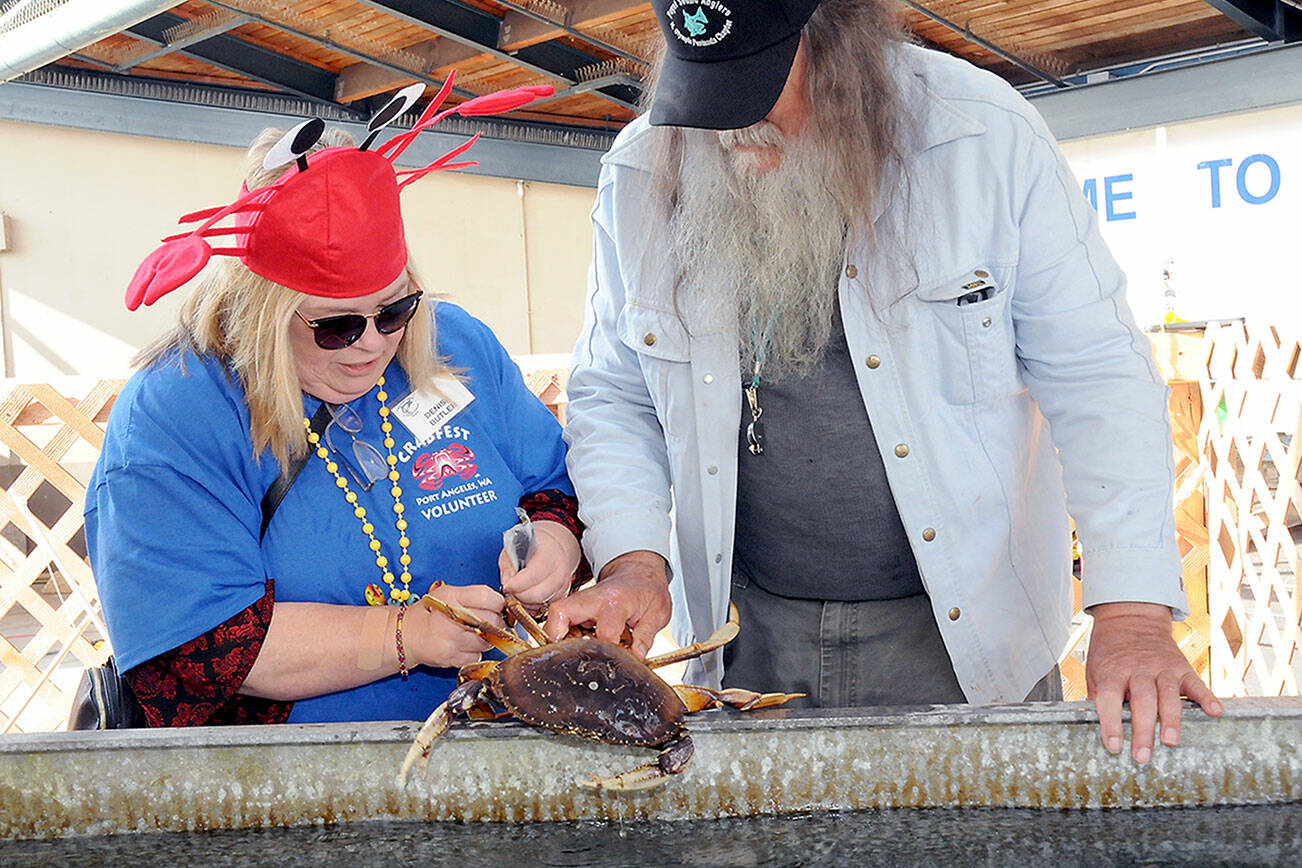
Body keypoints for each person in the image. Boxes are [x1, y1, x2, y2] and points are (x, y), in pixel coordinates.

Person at [548, 0, 1223, 764]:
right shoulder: (644, 169)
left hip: (966, 636)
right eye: (710, 96)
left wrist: (1132, 616)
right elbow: (615, 392)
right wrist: (634, 561)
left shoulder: (981, 137)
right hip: (748, 640)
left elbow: (1099, 377)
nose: (733, 132)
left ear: (839, 45)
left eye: (759, 90)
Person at [85, 83, 585, 725]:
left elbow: (556, 486)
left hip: (500, 741)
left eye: (395, 309)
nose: (372, 345)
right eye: (334, 326)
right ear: (264, 315)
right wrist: (404, 637)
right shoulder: (180, 409)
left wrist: (555, 543)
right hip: (292, 783)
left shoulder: (456, 342)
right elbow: (192, 649)